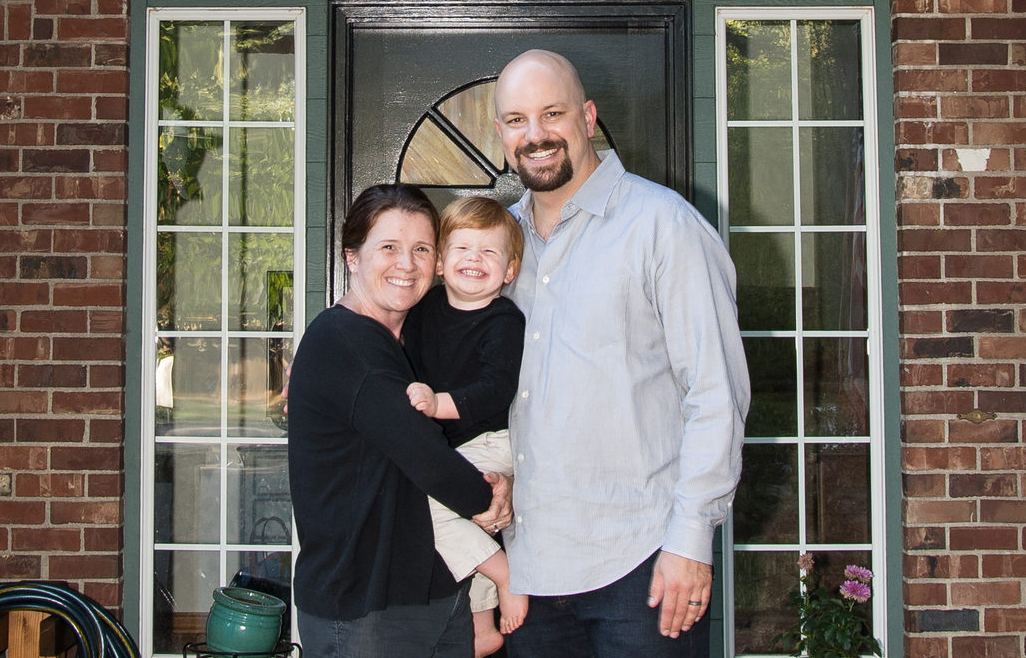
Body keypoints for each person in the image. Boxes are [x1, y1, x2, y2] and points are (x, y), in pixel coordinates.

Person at [494, 49, 751, 657]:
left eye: (552, 113)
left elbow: (716, 393)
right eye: (516, 120)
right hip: (527, 568)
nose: (535, 136)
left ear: (587, 117)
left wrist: (690, 540)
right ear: (501, 132)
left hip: (641, 567)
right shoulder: (494, 245)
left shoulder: (664, 225)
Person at [287, 183, 514, 658]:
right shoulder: (345, 341)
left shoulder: (409, 336)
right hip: (364, 606)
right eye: (388, 247)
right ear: (352, 257)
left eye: (421, 249)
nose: (406, 263)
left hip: (436, 590)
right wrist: (487, 497)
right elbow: (422, 451)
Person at [402, 196, 529, 657]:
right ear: (439, 261)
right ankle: (482, 624)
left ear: (509, 270)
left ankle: (506, 574)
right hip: (456, 442)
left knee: (422, 503)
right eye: (462, 249)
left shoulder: (504, 321)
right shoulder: (425, 309)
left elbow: (495, 389)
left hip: (495, 440)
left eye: (489, 252)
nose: (474, 259)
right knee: (461, 523)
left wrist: (438, 404)